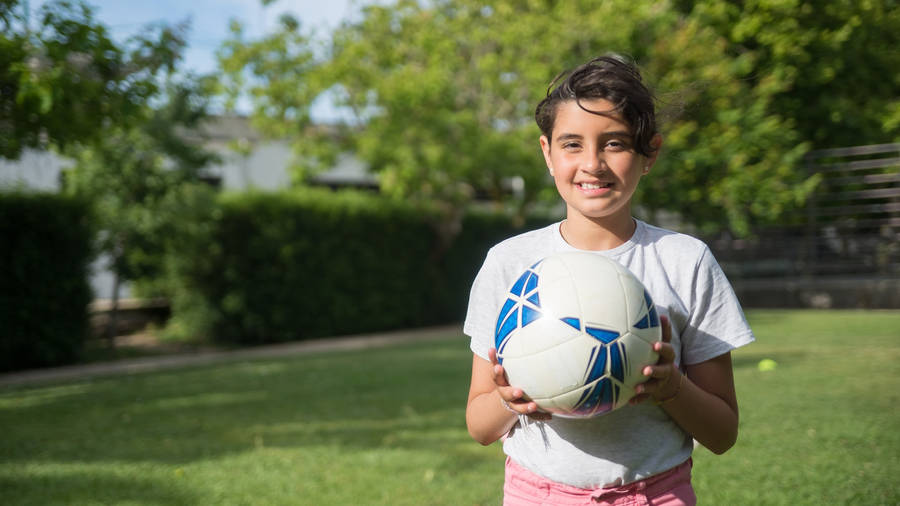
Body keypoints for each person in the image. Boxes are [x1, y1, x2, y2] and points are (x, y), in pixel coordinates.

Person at [463, 55, 755, 505]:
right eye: (572, 144)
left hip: (655, 493)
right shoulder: (509, 263)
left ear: (649, 153)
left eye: (615, 143)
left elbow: (722, 433)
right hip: (537, 494)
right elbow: (479, 426)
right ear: (547, 153)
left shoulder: (686, 261)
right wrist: (508, 401)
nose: (592, 164)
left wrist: (671, 388)